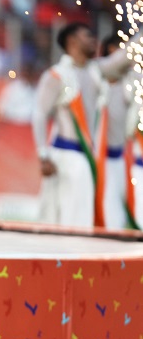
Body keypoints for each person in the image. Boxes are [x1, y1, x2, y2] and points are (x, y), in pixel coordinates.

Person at [33, 22, 135, 228]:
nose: (93, 40)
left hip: (87, 158)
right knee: (55, 219)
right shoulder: (57, 75)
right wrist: (43, 155)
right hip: (64, 155)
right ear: (72, 41)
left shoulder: (95, 71)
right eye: (87, 36)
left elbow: (124, 57)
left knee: (80, 220)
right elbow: (39, 114)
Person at [100, 34, 137, 230]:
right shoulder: (97, 77)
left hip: (121, 157)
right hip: (96, 157)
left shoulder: (131, 83)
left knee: (118, 214)